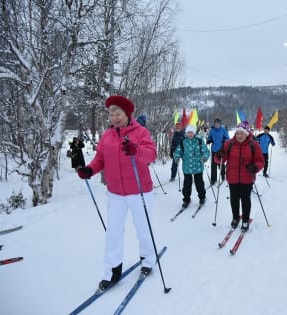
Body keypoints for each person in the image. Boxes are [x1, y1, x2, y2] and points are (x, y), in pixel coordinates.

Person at [76, 95, 157, 291]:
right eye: (111, 114)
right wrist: (90, 170)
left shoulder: (141, 132)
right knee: (113, 232)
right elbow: (100, 159)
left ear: (127, 114)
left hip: (139, 191)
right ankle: (112, 271)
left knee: (143, 228)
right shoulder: (107, 136)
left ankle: (147, 259)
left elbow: (151, 154)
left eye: (118, 113)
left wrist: (136, 149)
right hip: (115, 193)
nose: (114, 117)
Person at [216, 121, 264, 231]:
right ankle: (235, 218)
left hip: (247, 177)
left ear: (247, 134)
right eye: (237, 133)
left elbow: (260, 161)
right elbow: (219, 159)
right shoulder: (229, 144)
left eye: (242, 133)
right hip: (232, 177)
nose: (239, 135)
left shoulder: (253, 145)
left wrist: (255, 167)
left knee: (245, 199)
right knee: (234, 199)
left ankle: (245, 219)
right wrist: (219, 155)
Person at [173, 125, 210, 208]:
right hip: (187, 167)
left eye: (191, 132)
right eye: (188, 133)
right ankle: (186, 199)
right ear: (186, 133)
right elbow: (177, 151)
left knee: (199, 184)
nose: (190, 134)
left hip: (198, 167)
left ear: (194, 133)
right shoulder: (183, 142)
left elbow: (206, 151)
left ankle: (202, 197)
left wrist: (205, 157)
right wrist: (177, 157)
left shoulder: (199, 141)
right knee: (187, 184)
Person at [207, 118, 229, 185]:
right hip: (214, 149)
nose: (217, 125)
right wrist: (209, 140)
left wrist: (224, 140)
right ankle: (213, 179)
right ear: (214, 124)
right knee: (213, 165)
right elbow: (209, 137)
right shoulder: (212, 130)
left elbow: (227, 138)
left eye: (218, 124)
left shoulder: (223, 130)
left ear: (220, 124)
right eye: (215, 124)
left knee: (221, 163)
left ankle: (223, 175)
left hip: (221, 149)